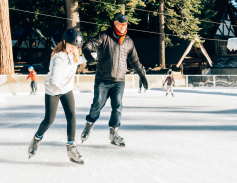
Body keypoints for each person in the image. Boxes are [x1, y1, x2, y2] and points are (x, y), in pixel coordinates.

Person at [80, 13, 148, 147]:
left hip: (119, 81)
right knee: (97, 105)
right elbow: (89, 44)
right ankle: (89, 124)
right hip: (102, 79)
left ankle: (114, 133)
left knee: (117, 107)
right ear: (115, 22)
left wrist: (142, 75)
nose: (123, 26)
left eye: (125, 24)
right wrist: (87, 52)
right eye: (121, 23)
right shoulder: (104, 36)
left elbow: (135, 61)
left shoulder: (129, 41)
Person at [28, 29, 91, 164]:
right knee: (49, 120)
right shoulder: (58, 57)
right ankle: (36, 139)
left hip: (66, 89)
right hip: (53, 90)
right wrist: (56, 84)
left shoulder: (73, 53)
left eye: (76, 47)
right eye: (71, 46)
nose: (74, 49)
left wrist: (91, 56)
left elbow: (76, 61)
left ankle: (71, 148)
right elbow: (55, 75)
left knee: (72, 117)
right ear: (64, 42)